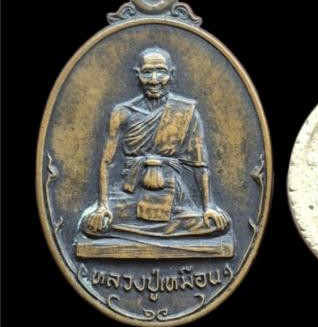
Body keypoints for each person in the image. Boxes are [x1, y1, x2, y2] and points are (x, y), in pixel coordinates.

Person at [80, 47, 230, 240]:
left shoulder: (185, 111)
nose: (154, 80)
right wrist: (102, 206)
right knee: (90, 225)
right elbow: (107, 162)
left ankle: (138, 235)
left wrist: (208, 207)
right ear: (137, 75)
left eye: (161, 72)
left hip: (173, 196)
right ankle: (162, 235)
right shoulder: (122, 112)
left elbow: (200, 166)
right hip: (130, 193)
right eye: (147, 72)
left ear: (172, 75)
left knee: (218, 225)